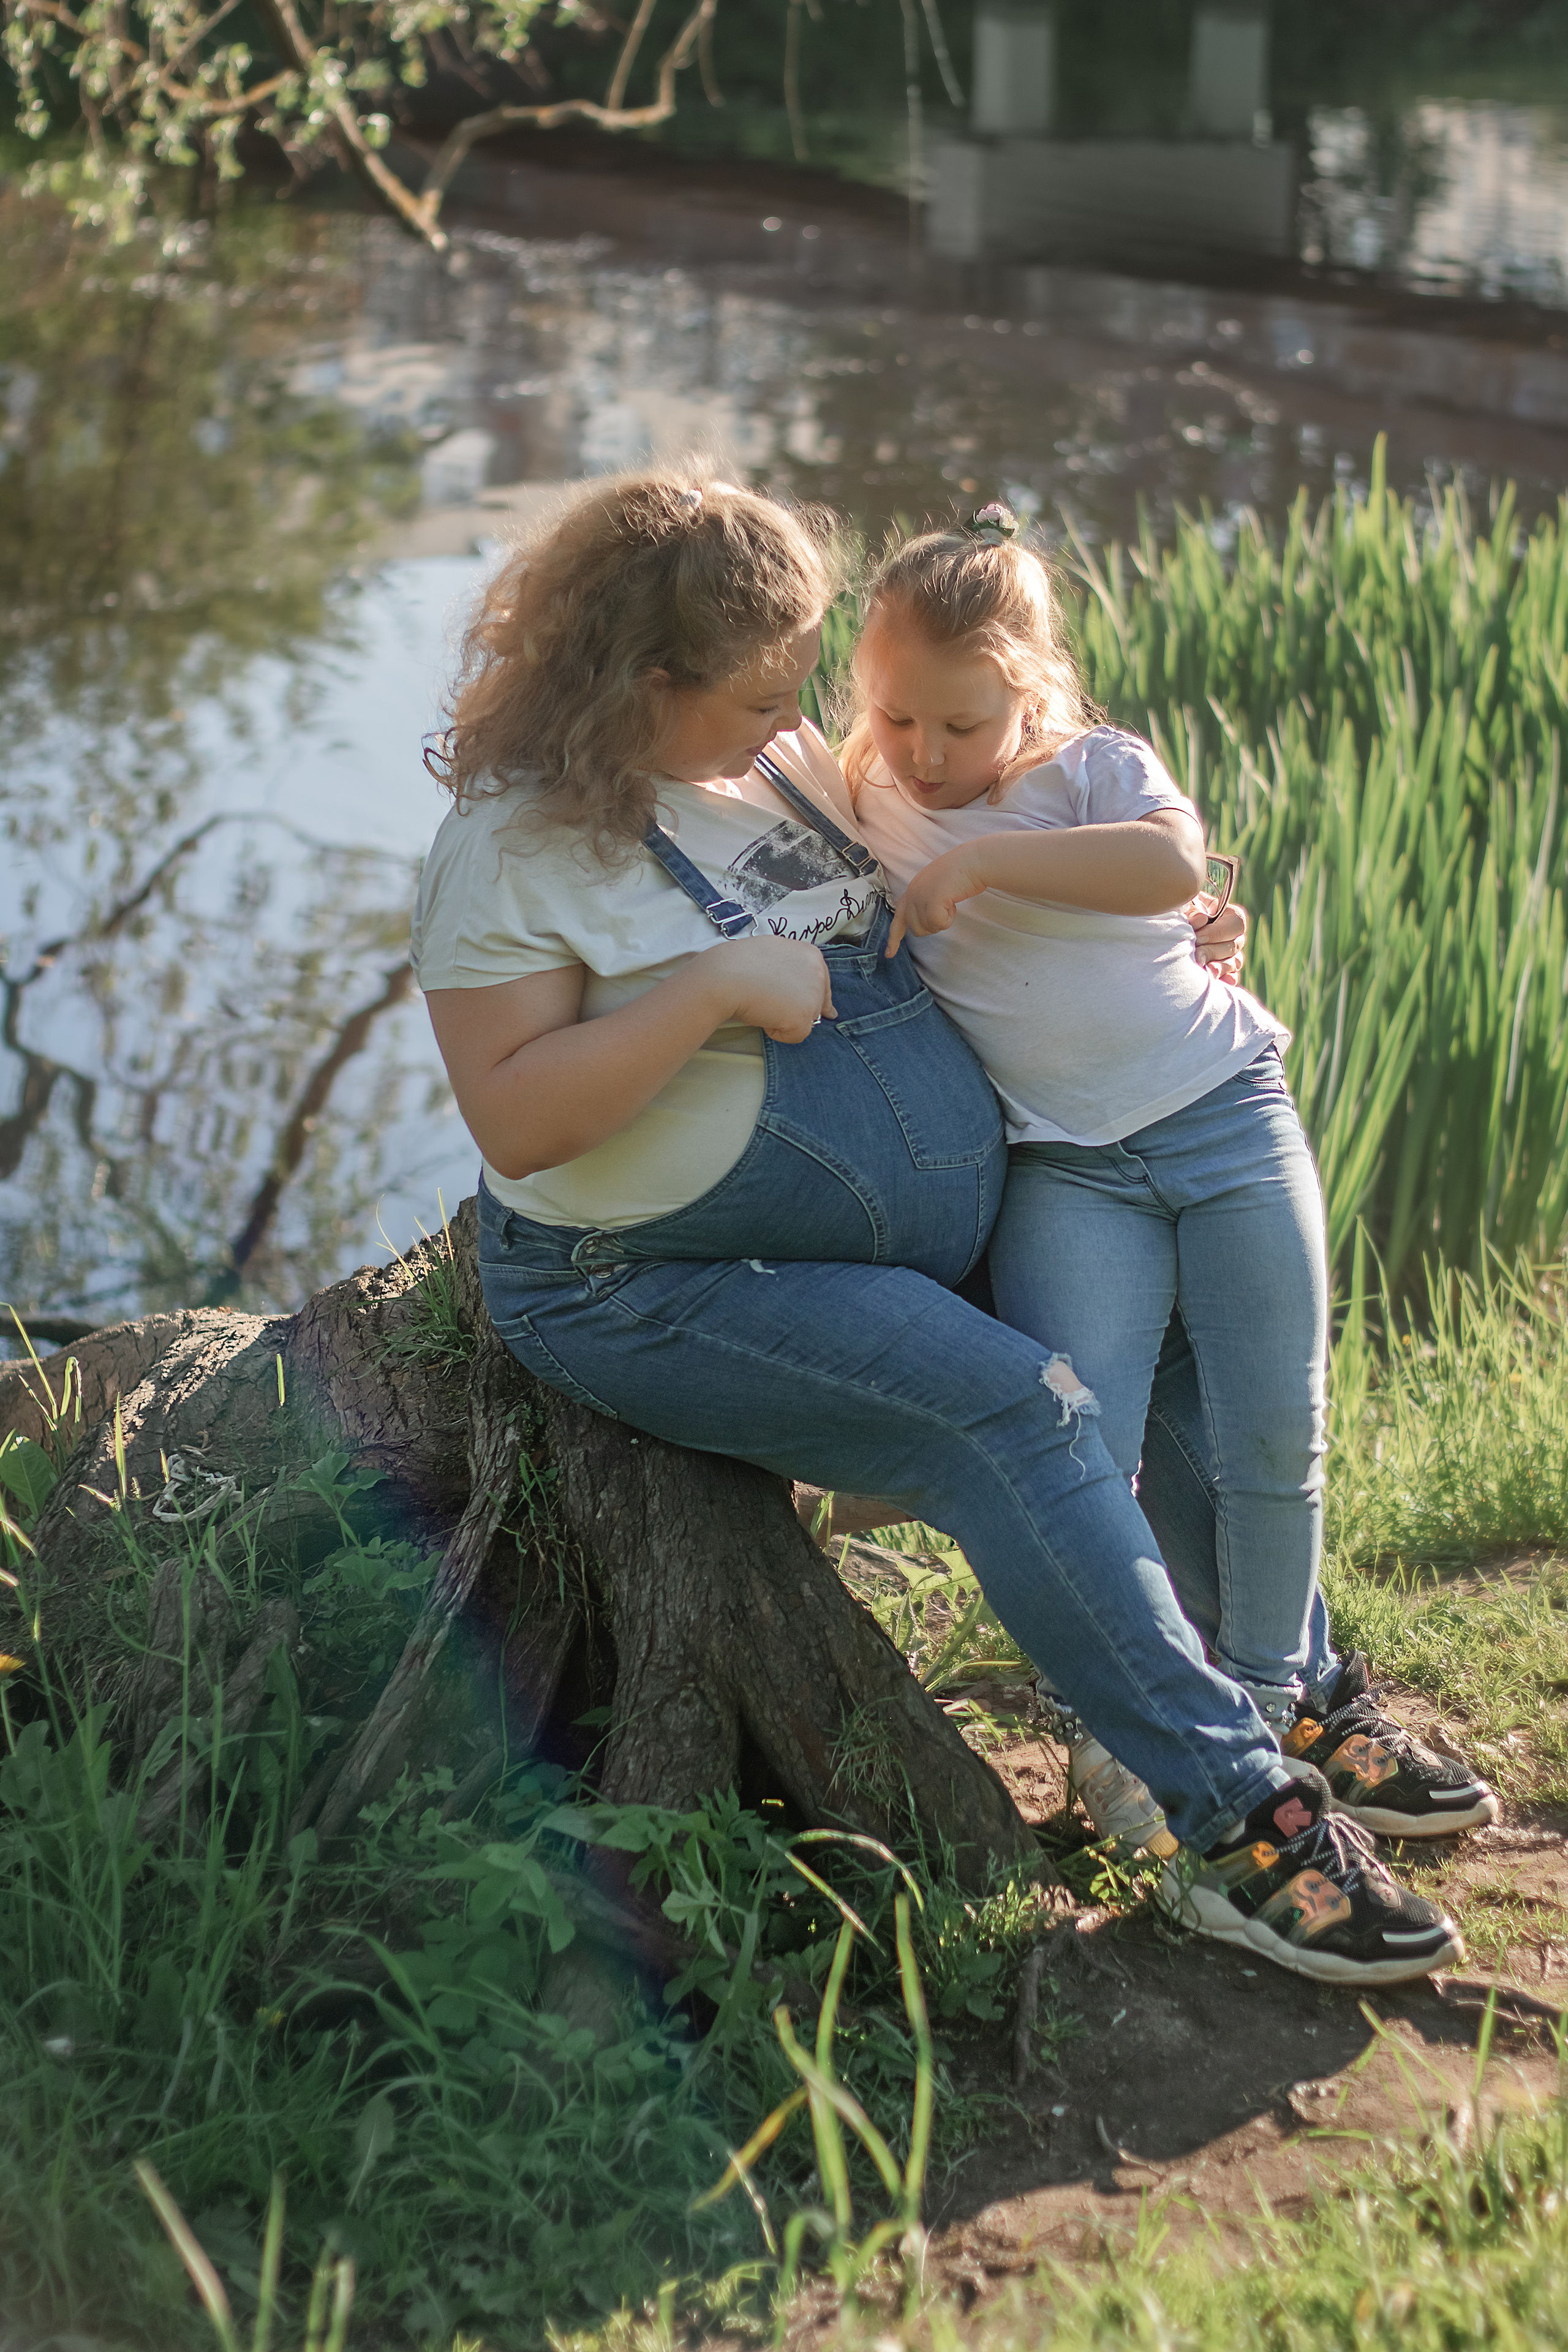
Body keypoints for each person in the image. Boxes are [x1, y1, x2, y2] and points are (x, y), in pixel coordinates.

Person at [412, 465, 1466, 1987]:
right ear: (644, 681)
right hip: (649, 1276)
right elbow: (511, 1116)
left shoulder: (765, 769)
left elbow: (982, 858)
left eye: (799, 689)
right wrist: (708, 988)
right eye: (760, 693)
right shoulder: (511, 849)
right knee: (1013, 1412)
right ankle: (1237, 1821)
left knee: (1165, 1367)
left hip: (881, 1220)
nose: (796, 724)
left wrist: (1169, 927)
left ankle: (1268, 1689)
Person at [842, 502, 1497, 1852]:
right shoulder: (859, 786)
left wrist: (986, 860)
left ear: (1026, 690)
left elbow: (1170, 865)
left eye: (961, 726)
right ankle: (1125, 1726)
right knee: (1090, 1455)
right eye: (899, 717)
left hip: (1223, 1118)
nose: (925, 754)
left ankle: (1272, 1705)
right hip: (1065, 1174)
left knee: (1272, 1432)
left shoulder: (1092, 770)